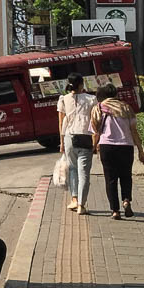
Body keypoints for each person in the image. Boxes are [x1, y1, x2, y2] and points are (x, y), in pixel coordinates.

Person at [91, 83, 144, 220]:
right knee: (126, 176)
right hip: (126, 146)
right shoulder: (127, 108)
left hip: (107, 147)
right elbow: (134, 131)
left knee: (110, 179)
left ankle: (115, 210)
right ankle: (126, 200)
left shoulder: (98, 108)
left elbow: (95, 132)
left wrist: (93, 146)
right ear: (116, 94)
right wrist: (140, 150)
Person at [57, 72, 96, 214]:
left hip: (68, 137)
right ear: (81, 84)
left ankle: (74, 199)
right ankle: (81, 204)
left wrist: (61, 142)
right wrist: (96, 141)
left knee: (72, 169)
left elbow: (61, 122)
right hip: (85, 136)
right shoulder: (92, 99)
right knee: (84, 172)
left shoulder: (63, 99)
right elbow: (95, 120)